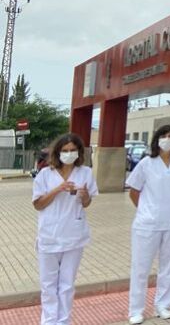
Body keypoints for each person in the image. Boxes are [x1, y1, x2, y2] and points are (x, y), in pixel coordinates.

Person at [33, 133, 97, 325]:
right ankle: (49, 321)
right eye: (65, 150)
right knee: (48, 285)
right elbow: (38, 204)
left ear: (79, 152)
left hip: (74, 236)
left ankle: (63, 321)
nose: (69, 154)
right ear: (58, 152)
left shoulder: (85, 173)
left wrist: (85, 196)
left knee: (67, 284)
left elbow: (86, 203)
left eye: (73, 150)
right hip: (49, 236)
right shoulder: (45, 174)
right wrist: (57, 189)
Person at [126, 125, 170, 324]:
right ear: (157, 139)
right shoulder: (146, 163)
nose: (168, 139)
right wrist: (146, 210)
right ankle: (136, 310)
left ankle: (163, 305)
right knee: (141, 267)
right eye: (164, 136)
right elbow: (134, 191)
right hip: (148, 223)